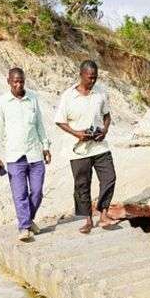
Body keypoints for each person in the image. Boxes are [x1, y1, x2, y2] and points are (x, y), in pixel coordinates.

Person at [54, 60, 117, 234]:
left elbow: (107, 116)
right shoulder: (68, 96)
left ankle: (103, 213)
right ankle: (87, 220)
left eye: (95, 78)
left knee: (109, 177)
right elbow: (60, 121)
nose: (93, 81)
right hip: (78, 148)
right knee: (82, 184)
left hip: (99, 146)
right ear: (81, 75)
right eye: (90, 78)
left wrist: (104, 130)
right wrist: (77, 133)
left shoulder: (101, 92)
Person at [0, 67, 51, 242]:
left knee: (37, 192)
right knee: (20, 194)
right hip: (14, 156)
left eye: (21, 81)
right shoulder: (1, 102)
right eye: (15, 81)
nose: (19, 85)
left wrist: (45, 146)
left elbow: (39, 124)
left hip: (34, 154)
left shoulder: (32, 98)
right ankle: (24, 227)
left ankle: (28, 219)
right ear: (8, 81)